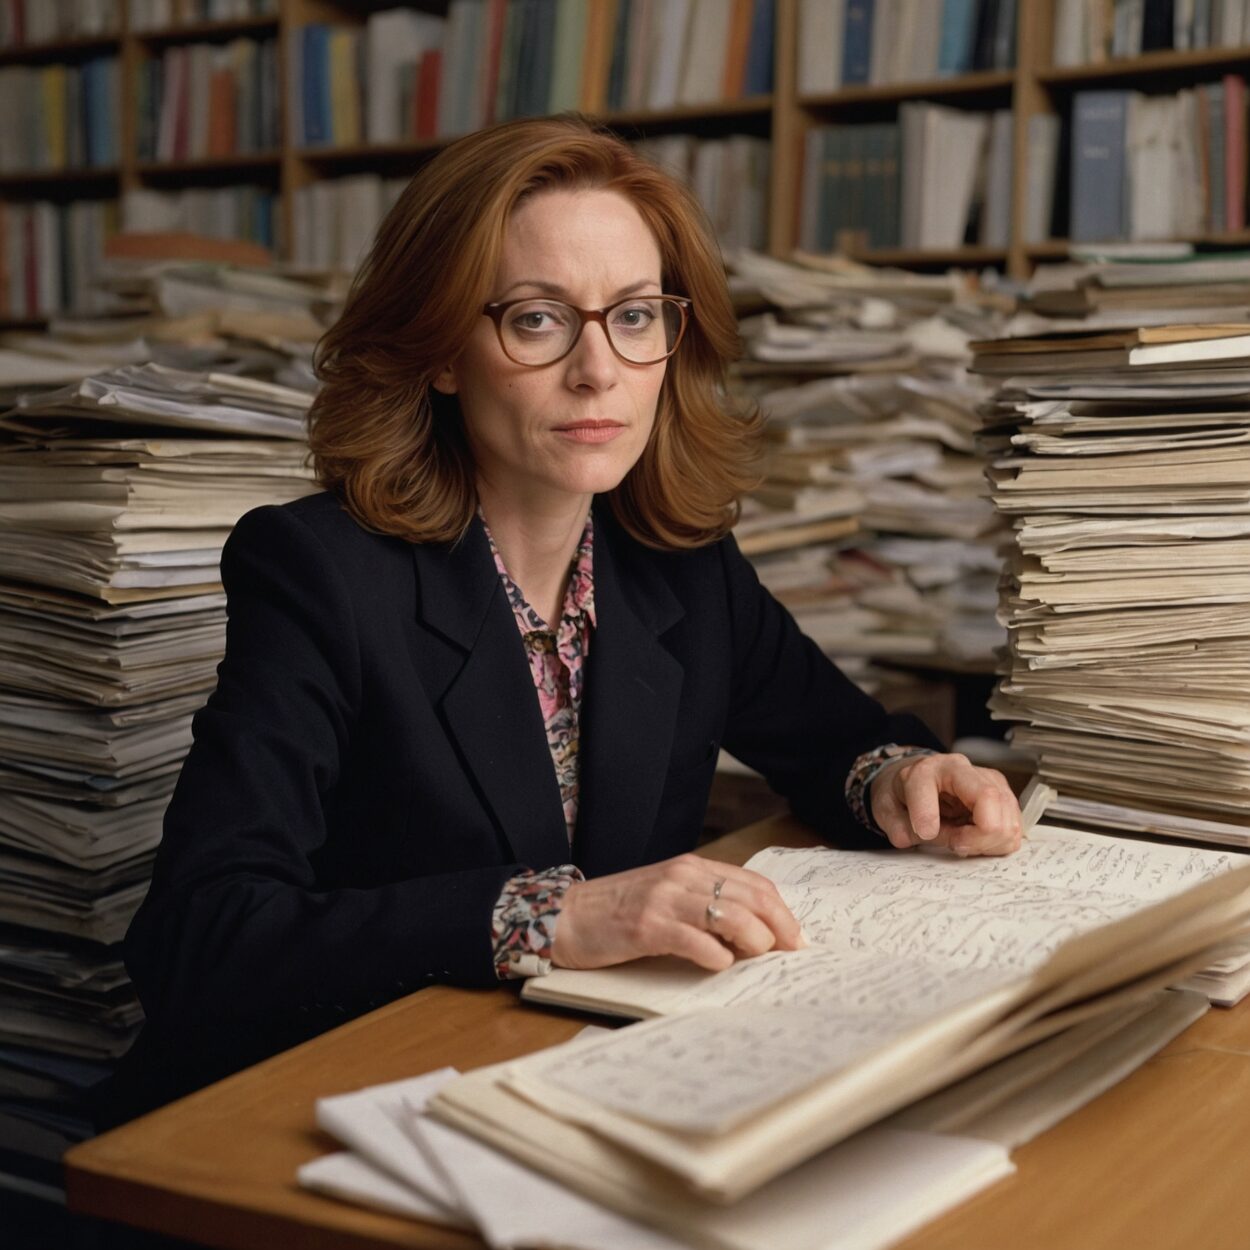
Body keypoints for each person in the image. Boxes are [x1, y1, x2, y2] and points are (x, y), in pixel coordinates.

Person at [112, 115, 1021, 1119]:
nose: (599, 370)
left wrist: (900, 777)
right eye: (539, 319)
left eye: (633, 316)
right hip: (320, 1104)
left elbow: (836, 741)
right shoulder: (320, 571)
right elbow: (201, 931)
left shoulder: (678, 565)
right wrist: (547, 917)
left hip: (562, 1073)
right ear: (441, 350)